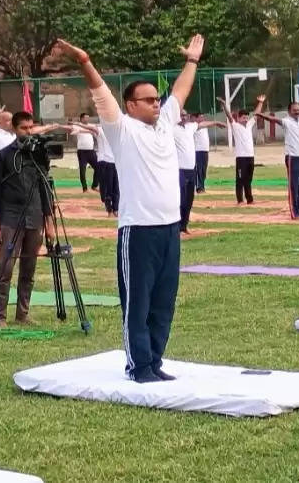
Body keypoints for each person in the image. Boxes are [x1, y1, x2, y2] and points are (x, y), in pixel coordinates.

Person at [55, 33, 204, 383]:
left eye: (157, 98)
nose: (156, 103)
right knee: (137, 303)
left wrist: (192, 61)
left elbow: (180, 92)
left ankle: (154, 360)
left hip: (170, 229)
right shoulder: (121, 130)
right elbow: (101, 94)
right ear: (131, 105)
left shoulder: (166, 123)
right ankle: (138, 366)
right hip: (138, 231)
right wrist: (85, 61)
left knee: (164, 302)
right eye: (148, 99)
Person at [0, 111, 59, 327]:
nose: (28, 132)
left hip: (34, 217)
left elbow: (45, 190)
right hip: (10, 217)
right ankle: (0, 316)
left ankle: (23, 313)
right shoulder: (3, 156)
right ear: (14, 129)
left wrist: (49, 223)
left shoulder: (38, 154)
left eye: (31, 127)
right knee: (6, 268)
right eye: (23, 128)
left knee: (29, 267)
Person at [255, 103, 299, 219]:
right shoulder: (286, 121)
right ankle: (294, 213)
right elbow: (273, 119)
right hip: (292, 157)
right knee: (293, 186)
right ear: (289, 111)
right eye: (294, 110)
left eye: (298, 110)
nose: (297, 112)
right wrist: (261, 115)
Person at [220, 96, 262, 204]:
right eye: (243, 117)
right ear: (238, 118)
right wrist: (224, 105)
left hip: (250, 157)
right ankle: (240, 200)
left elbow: (256, 115)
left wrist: (260, 102)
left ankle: (250, 199)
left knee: (248, 180)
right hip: (241, 158)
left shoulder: (249, 125)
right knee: (240, 180)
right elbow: (229, 116)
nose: (246, 119)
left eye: (247, 117)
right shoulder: (235, 126)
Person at [73, 112, 98, 193]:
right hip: (82, 151)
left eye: (88, 118)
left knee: (98, 168)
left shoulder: (91, 126)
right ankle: (85, 188)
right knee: (82, 170)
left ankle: (94, 185)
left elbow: (96, 131)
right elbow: (77, 130)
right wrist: (88, 130)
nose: (87, 119)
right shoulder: (77, 125)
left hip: (91, 151)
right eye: (85, 118)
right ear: (81, 119)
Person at [193, 114, 212, 194]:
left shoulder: (205, 126)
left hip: (205, 150)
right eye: (200, 117)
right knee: (199, 170)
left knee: (204, 170)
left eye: (203, 117)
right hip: (198, 151)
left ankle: (202, 186)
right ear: (196, 118)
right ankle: (199, 187)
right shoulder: (195, 126)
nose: (202, 118)